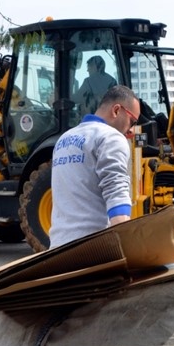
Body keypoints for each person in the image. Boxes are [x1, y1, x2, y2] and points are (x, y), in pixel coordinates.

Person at [49, 85, 139, 248]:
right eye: (132, 121)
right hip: (93, 248)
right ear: (117, 110)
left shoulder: (63, 140)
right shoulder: (111, 137)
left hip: (58, 247)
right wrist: (128, 245)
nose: (131, 130)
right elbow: (116, 190)